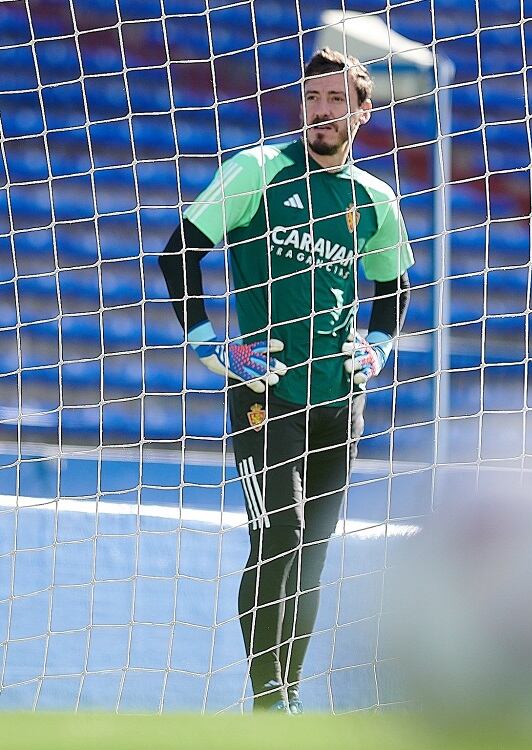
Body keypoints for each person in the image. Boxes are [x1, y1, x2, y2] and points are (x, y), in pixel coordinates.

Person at [157, 48, 413, 713]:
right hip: (263, 394)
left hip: (339, 402)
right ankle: (268, 701)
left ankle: (287, 701)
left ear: (361, 110)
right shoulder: (258, 170)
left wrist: (379, 344)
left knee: (314, 555)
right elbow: (179, 249)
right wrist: (209, 344)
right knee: (278, 537)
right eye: (310, 99)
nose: (319, 112)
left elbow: (393, 286)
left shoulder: (374, 199)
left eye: (333, 100)